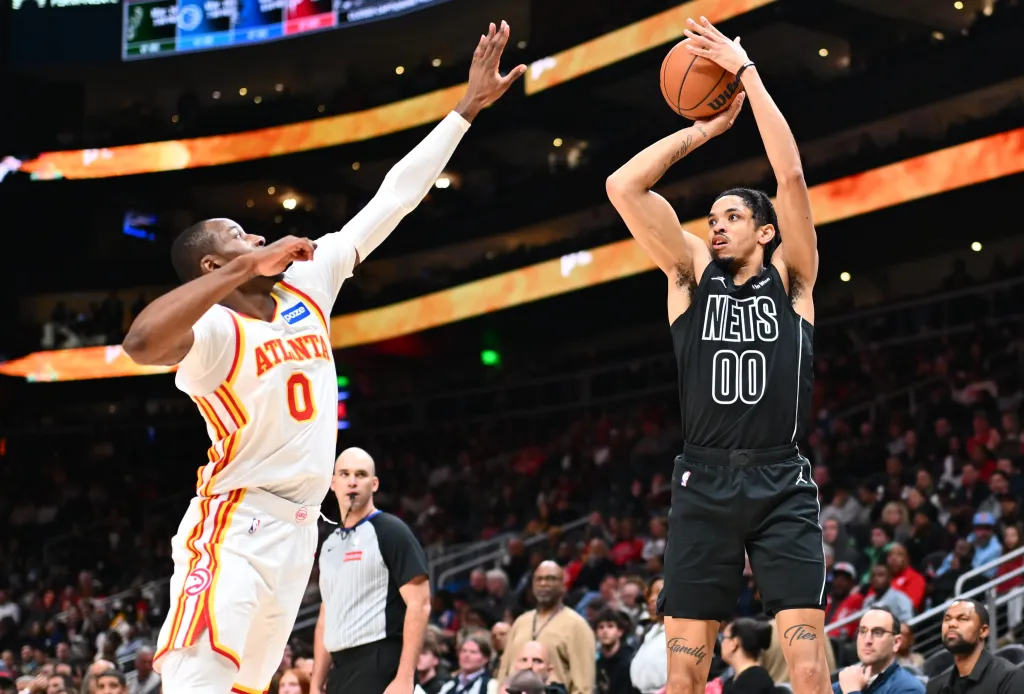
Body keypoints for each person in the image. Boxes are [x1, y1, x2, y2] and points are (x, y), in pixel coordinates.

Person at [121, 21, 525, 694]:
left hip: (300, 529)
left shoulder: (308, 283)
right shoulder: (213, 330)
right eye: (238, 237)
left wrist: (465, 109)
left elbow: (393, 198)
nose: (256, 236)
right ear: (213, 266)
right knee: (198, 680)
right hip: (235, 523)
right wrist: (246, 265)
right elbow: (139, 345)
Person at [606, 15, 827, 694]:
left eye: (733, 217)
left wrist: (747, 72)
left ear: (766, 232)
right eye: (712, 219)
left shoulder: (793, 280)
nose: (717, 226)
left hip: (780, 479)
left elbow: (790, 174)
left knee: (809, 665)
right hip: (702, 481)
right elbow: (623, 187)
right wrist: (705, 130)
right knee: (684, 673)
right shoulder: (689, 276)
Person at [311, 448, 432, 694]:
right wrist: (316, 682)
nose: (352, 482)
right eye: (344, 474)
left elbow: (420, 604)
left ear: (374, 484)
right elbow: (326, 617)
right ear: (332, 483)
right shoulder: (330, 543)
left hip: (379, 662)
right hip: (340, 668)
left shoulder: (392, 531)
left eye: (361, 474)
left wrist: (405, 677)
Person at [496, 562, 595, 694]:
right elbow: (504, 672)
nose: (543, 583)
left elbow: (584, 686)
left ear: (563, 585)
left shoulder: (577, 626)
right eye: (539, 579)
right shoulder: (520, 622)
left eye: (551, 579)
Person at [926, 599, 1024, 693]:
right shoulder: (934, 687)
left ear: (983, 631)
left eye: (962, 619)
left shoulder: (1009, 678)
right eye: (947, 619)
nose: (951, 624)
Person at [833, 608, 923, 694]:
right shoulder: (843, 685)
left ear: (896, 642)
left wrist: (852, 691)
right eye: (862, 631)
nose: (867, 640)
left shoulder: (909, 688)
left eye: (878, 633)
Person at [718, 619, 774, 694]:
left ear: (734, 643)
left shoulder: (754, 682)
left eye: (724, 638)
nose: (722, 643)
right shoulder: (734, 680)